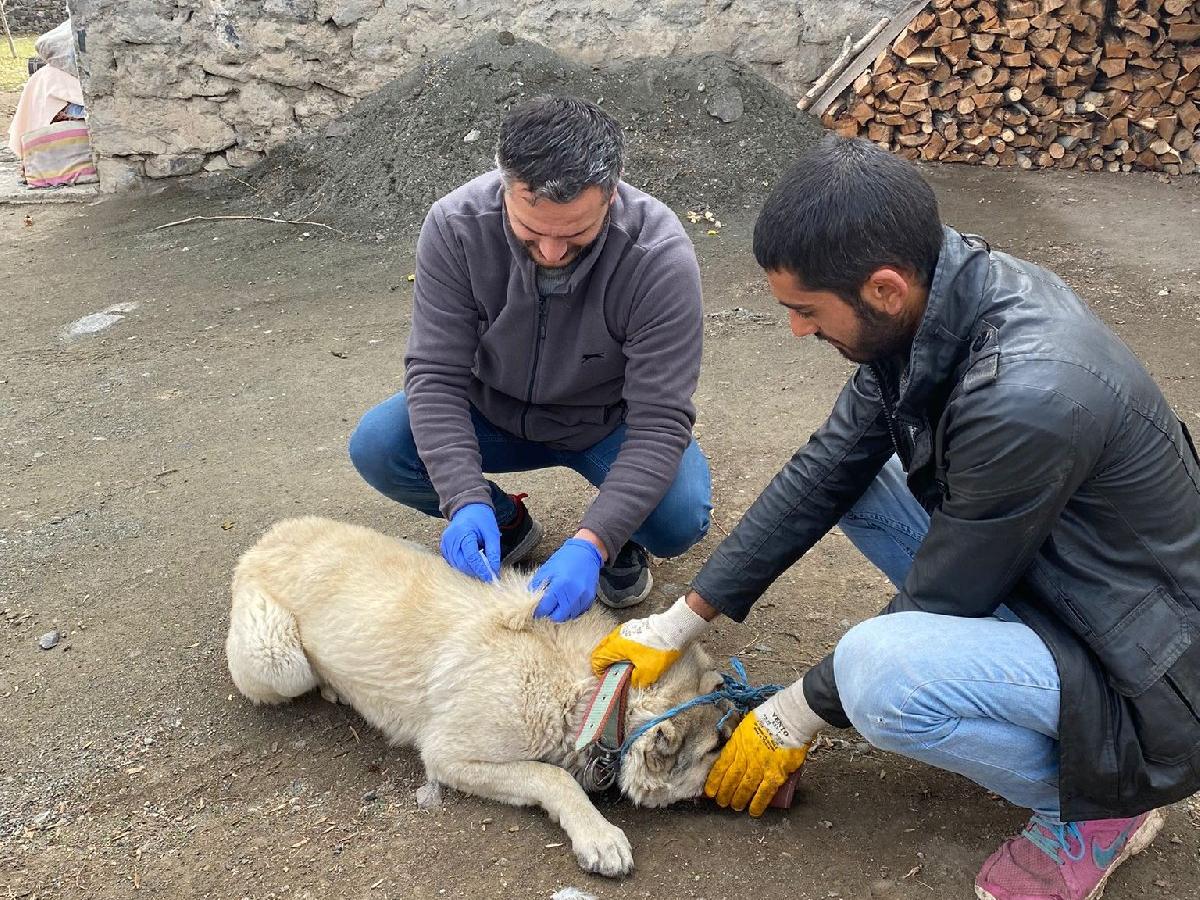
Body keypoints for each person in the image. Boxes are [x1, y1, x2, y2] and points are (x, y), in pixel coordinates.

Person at [592, 135, 1200, 900]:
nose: (797, 330)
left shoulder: (1028, 393)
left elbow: (947, 595)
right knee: (866, 477)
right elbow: (826, 470)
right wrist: (680, 620)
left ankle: (1103, 809)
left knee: (879, 673)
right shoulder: (931, 304)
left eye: (807, 311)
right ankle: (1043, 726)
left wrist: (796, 712)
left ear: (882, 288)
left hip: (1151, 668)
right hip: (1076, 581)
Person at [350, 96, 712, 620]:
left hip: (604, 422)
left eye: (574, 234)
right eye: (531, 230)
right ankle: (502, 522)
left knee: (679, 516)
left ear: (611, 193)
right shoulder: (455, 227)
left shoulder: (657, 256)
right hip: (489, 411)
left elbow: (660, 422)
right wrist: (463, 498)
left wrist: (596, 540)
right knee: (380, 446)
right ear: (505, 186)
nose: (550, 252)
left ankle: (614, 542)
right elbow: (436, 376)